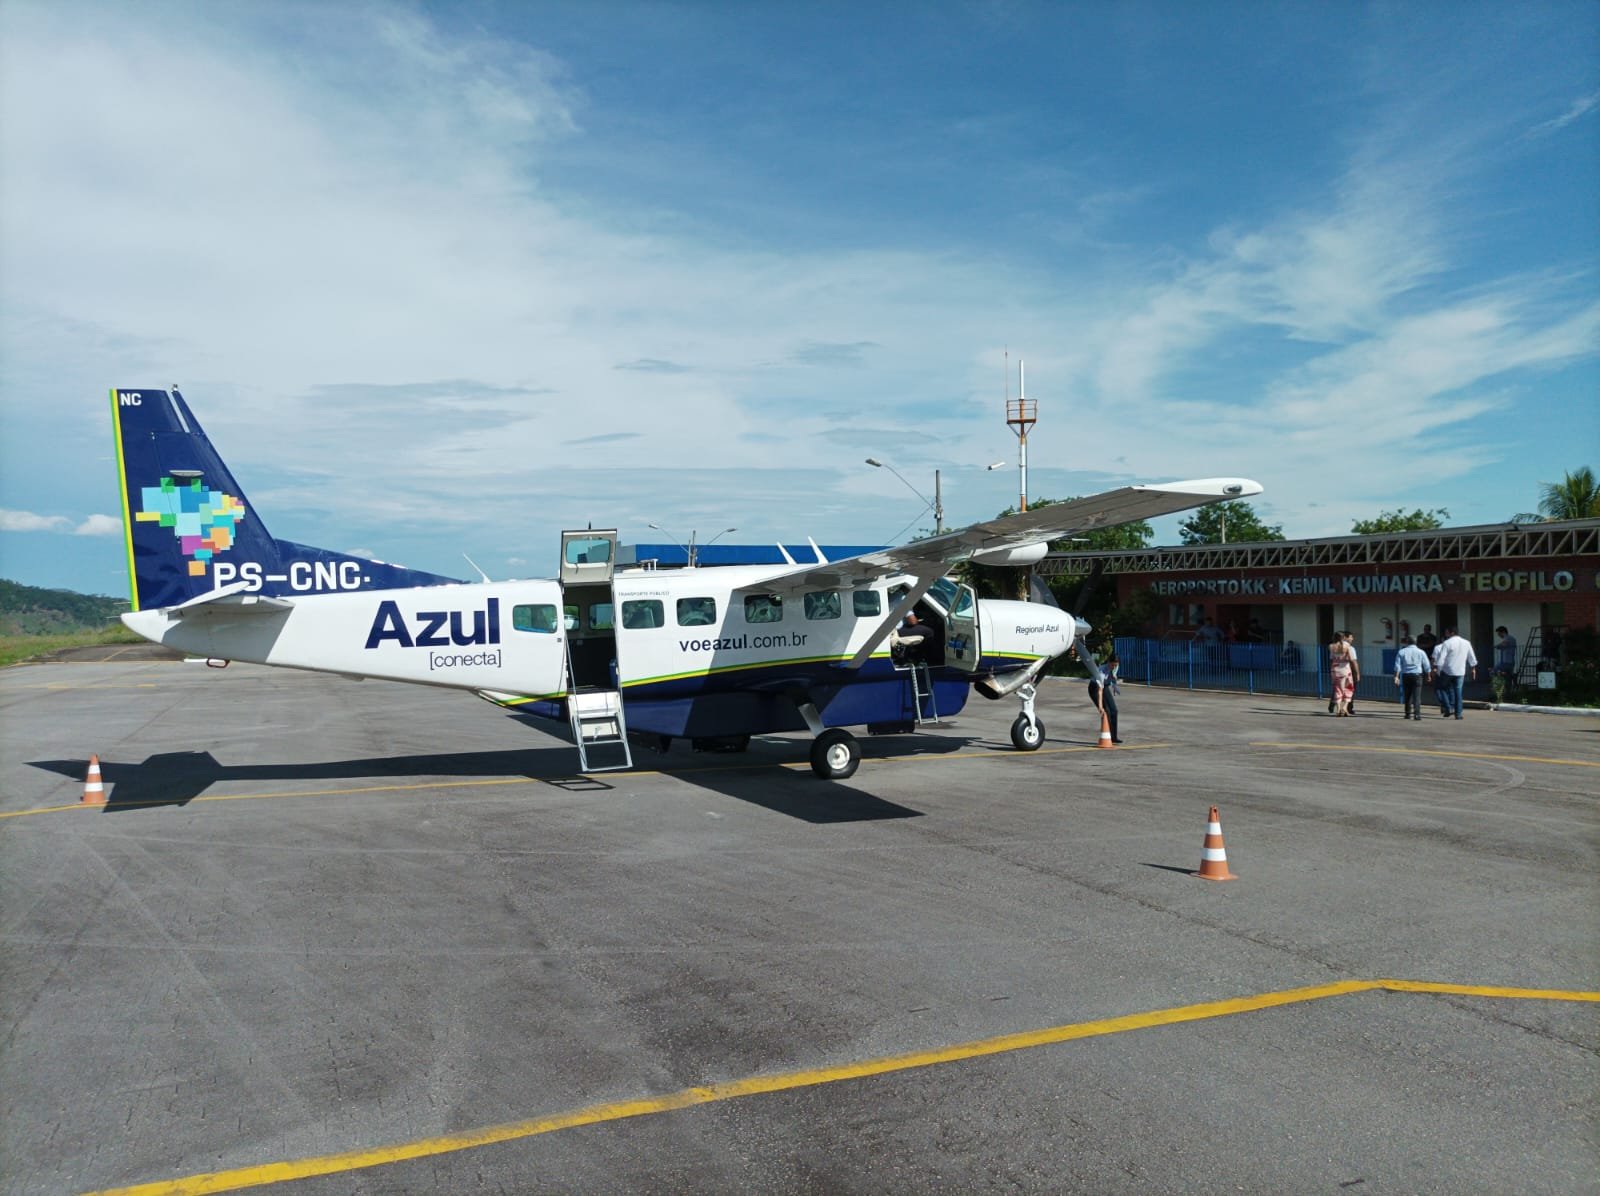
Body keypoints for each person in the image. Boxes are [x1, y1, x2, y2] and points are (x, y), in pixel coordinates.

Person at [1432, 627, 1478, 719]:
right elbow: (1472, 657)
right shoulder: (1466, 643)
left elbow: (1441, 658)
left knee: (1442, 688)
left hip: (1447, 671)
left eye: (1447, 632)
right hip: (1460, 671)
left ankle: (1448, 707)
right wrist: (1473, 669)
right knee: (1458, 692)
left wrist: (1437, 669)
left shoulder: (1447, 643)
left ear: (1451, 633)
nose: (1446, 634)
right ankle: (1458, 714)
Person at [1393, 635, 1431, 721]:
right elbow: (1426, 665)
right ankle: (1417, 715)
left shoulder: (1401, 652)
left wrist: (1396, 677)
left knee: (1407, 695)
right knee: (1417, 696)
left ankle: (1407, 714)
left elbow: (1397, 666)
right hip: (1417, 675)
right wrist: (1428, 675)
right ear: (1416, 642)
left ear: (1407, 642)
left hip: (1406, 675)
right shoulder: (1421, 652)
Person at [1088, 652, 1122, 743]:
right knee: (1106, 710)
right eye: (1112, 665)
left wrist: (1115, 687)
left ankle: (1114, 737)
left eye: (1116, 665)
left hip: (1105, 686)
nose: (1114, 667)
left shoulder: (1115, 667)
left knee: (1114, 710)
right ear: (1108, 662)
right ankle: (1108, 736)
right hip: (1095, 688)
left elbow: (1113, 677)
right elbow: (1100, 690)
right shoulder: (1101, 671)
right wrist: (1100, 706)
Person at [1328, 631, 1359, 714]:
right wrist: (1357, 673)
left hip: (1335, 669)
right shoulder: (1347, 646)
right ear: (1343, 637)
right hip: (1345, 669)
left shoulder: (1331, 646)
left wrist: (1331, 670)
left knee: (1337, 689)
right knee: (1349, 688)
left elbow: (1331, 659)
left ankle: (1338, 708)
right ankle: (1344, 707)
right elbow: (1352, 659)